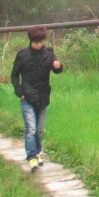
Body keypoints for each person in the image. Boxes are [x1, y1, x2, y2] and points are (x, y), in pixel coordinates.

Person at [10, 25, 63, 170]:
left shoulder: (49, 53)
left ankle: (38, 152)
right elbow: (14, 75)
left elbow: (56, 69)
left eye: (42, 42)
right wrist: (19, 92)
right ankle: (31, 156)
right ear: (31, 41)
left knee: (40, 130)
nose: (39, 45)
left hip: (43, 96)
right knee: (31, 129)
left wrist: (58, 67)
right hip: (27, 96)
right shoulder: (22, 55)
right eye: (37, 42)